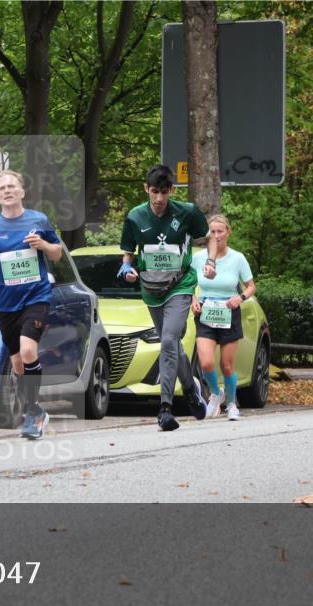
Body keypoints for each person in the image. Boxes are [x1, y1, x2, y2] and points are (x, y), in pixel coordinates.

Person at [116, 164, 217, 431]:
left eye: (164, 192)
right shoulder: (135, 217)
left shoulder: (187, 212)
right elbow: (128, 252)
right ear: (146, 189)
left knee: (170, 340)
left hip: (180, 285)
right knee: (171, 345)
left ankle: (165, 409)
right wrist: (127, 267)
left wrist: (210, 262)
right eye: (154, 192)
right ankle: (191, 389)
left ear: (171, 190)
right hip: (151, 289)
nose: (159, 198)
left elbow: (209, 239)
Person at [0, 169, 64, 440]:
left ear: (22, 191)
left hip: (36, 297)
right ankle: (34, 408)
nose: (7, 190)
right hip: (6, 303)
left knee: (28, 352)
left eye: (11, 186)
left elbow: (58, 253)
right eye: (1, 187)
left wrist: (42, 244)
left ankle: (31, 414)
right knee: (17, 363)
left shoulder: (39, 221)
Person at [190, 215, 255, 420]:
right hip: (206, 311)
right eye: (212, 232)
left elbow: (251, 286)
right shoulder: (199, 258)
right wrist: (193, 299)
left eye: (220, 231)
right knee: (207, 363)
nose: (216, 236)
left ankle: (232, 404)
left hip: (229, 311)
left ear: (228, 232)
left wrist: (240, 297)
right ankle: (216, 394)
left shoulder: (237, 258)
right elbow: (188, 282)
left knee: (227, 365)